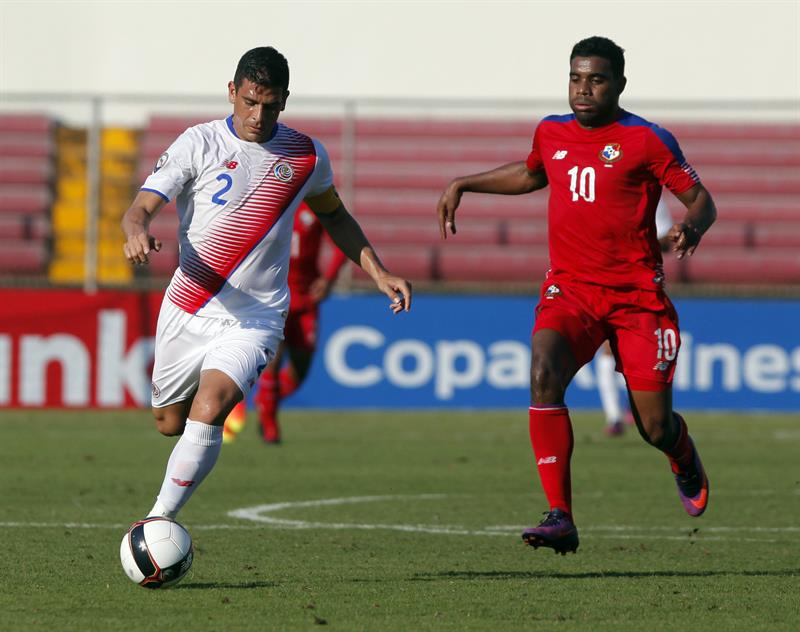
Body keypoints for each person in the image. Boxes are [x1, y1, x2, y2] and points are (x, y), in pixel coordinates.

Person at [437, 36, 716, 555]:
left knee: (654, 427)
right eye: (575, 78)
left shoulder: (647, 140)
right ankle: (559, 515)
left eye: (596, 79)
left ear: (620, 84)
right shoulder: (551, 131)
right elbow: (531, 173)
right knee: (542, 371)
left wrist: (692, 226)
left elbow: (700, 199)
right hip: (572, 290)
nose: (583, 89)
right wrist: (465, 183)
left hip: (636, 299)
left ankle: (681, 455)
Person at [121, 46, 411, 522]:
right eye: (250, 102)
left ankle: (157, 521)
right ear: (231, 92)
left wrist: (378, 271)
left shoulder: (306, 156)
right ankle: (188, 447)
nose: (258, 116)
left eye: (270, 105)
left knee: (211, 406)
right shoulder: (198, 143)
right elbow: (139, 210)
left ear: (284, 101)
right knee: (169, 422)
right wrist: (137, 231)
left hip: (256, 316)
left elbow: (335, 217)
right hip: (190, 304)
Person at [222, 201, 348, 444]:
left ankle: (264, 401)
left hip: (307, 298)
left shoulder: (315, 203)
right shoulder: (267, 201)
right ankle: (270, 426)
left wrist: (329, 279)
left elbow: (342, 241)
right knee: (273, 359)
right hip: (272, 297)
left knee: (300, 370)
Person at [598, 197, 674, 436]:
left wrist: (638, 242)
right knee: (608, 349)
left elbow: (666, 240)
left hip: (641, 284)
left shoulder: (651, 197)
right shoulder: (599, 193)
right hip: (605, 278)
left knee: (637, 352)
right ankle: (615, 416)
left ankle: (635, 407)